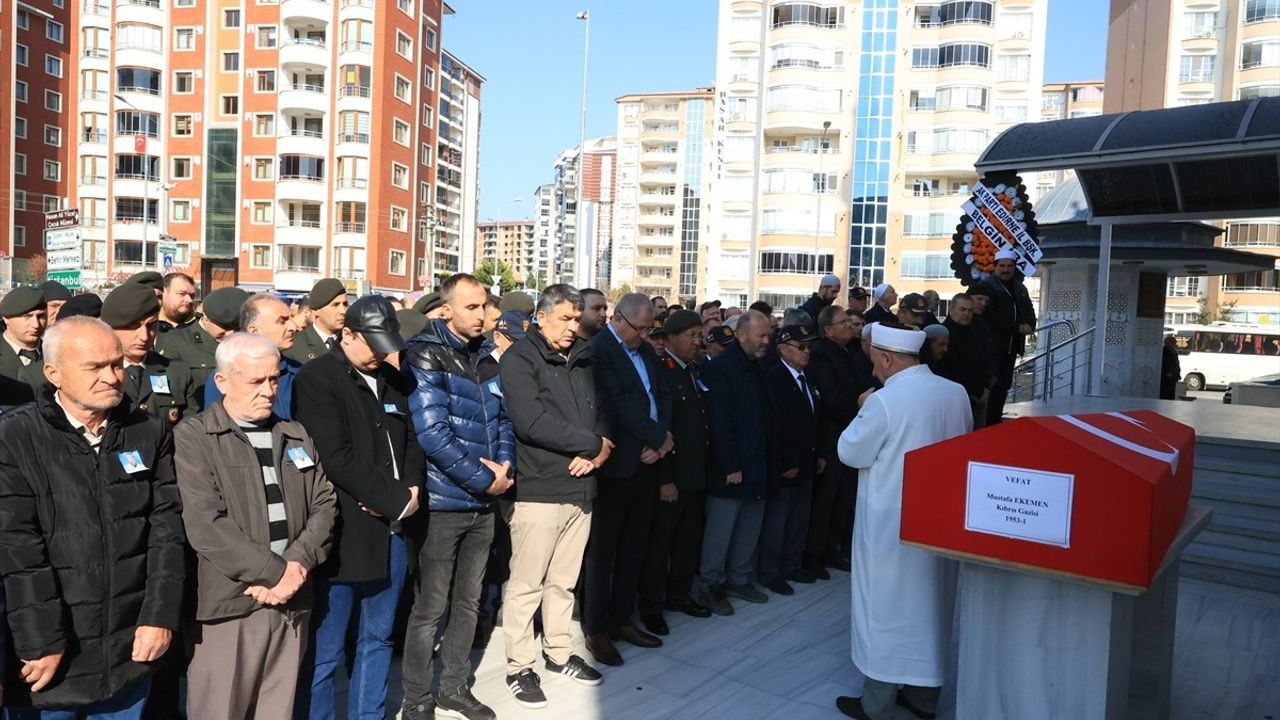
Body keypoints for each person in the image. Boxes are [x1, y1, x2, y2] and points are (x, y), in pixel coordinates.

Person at [0, 317, 185, 717]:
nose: (112, 377)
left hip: (129, 651)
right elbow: (18, 548)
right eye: (94, 368)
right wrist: (42, 641)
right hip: (52, 660)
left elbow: (165, 531)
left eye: (116, 364)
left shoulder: (147, 431)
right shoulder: (15, 437)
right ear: (54, 374)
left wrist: (159, 616)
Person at [175, 332, 337, 720]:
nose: (269, 390)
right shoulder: (195, 437)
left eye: (274, 378)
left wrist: (296, 565)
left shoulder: (293, 433)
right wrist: (272, 574)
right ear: (222, 381)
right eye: (256, 381)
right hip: (232, 603)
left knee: (276, 711)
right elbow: (205, 522)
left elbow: (324, 504)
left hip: (292, 599)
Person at [293, 296, 423, 720]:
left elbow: (410, 444)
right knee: (327, 652)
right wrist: (396, 499)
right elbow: (335, 457)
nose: (382, 356)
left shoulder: (393, 380)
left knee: (379, 638)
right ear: (347, 334)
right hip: (347, 535)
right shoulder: (318, 378)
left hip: (393, 530)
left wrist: (411, 492)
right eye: (374, 346)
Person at [834, 323, 971, 720]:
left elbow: (850, 452)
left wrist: (863, 408)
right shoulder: (955, 392)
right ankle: (923, 698)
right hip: (939, 520)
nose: (873, 368)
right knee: (931, 606)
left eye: (875, 360)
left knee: (887, 608)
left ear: (888, 358)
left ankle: (876, 704)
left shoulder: (884, 401)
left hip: (890, 524)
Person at [400, 275, 515, 720]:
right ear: (446, 310)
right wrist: (481, 480)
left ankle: (453, 687)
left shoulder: (487, 355)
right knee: (429, 609)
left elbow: (503, 419)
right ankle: (417, 697)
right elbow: (432, 433)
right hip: (444, 504)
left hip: (483, 503)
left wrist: (503, 471)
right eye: (472, 307)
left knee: (468, 602)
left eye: (484, 306)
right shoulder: (425, 353)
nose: (483, 315)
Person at [499, 284, 609, 709]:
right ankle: (519, 665)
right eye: (564, 318)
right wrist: (590, 444)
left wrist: (600, 448)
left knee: (563, 581)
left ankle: (559, 652)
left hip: (582, 486)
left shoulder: (583, 356)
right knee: (526, 584)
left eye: (575, 318)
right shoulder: (519, 359)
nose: (572, 326)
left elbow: (606, 408)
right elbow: (531, 422)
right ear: (540, 317)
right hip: (540, 487)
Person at [582, 294, 672, 667]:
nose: (645, 335)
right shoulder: (600, 350)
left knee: (635, 546)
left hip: (648, 462)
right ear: (618, 319)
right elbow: (618, 405)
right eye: (640, 328)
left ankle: (622, 619)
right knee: (603, 553)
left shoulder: (647, 351)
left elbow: (661, 396)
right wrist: (655, 438)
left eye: (650, 328)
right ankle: (596, 629)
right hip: (618, 464)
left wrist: (662, 440)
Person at [693, 310, 774, 615]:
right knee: (721, 530)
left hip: (757, 463)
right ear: (741, 335)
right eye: (762, 335)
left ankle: (738, 578)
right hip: (732, 469)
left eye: (769, 334)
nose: (768, 340)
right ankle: (710, 585)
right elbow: (719, 421)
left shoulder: (758, 366)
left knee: (748, 527)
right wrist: (730, 466)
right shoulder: (722, 368)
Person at [638, 310, 712, 634]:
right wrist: (665, 478)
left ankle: (678, 595)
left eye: (699, 335)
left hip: (696, 472)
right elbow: (662, 427)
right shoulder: (662, 371)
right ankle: (651, 606)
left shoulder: (694, 369)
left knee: (687, 542)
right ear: (670, 339)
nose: (697, 342)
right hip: (673, 476)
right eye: (691, 336)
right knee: (660, 546)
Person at [758, 324, 825, 597]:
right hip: (786, 464)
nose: (807, 352)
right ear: (783, 349)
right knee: (778, 521)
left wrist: (818, 452)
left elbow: (813, 419)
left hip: (807, 460)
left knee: (799, 519)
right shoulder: (774, 378)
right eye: (802, 347)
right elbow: (775, 424)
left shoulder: (805, 378)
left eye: (810, 346)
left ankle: (791, 564)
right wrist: (786, 460)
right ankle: (770, 572)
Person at [805, 306, 860, 578]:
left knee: (843, 496)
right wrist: (858, 419)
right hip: (831, 436)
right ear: (828, 330)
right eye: (843, 322)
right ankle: (814, 555)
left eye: (850, 321)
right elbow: (831, 397)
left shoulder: (847, 353)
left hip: (848, 433)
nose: (850, 325)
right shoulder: (820, 355)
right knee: (826, 499)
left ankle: (833, 548)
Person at [103, 283, 200, 426]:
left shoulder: (177, 372)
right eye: (133, 327)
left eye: (151, 325)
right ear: (111, 328)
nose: (144, 336)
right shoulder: (99, 374)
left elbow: (190, 429)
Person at [205, 294, 302, 419]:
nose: (293, 327)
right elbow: (214, 427)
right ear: (254, 331)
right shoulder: (229, 376)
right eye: (282, 321)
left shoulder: (300, 373)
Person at [156, 286, 249, 403]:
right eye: (224, 327)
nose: (230, 333)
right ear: (206, 318)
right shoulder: (176, 342)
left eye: (237, 328)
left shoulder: (248, 343)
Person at [981, 250, 1037, 425]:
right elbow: (990, 315)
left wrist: (1030, 325)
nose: (1006, 269)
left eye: (1009, 266)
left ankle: (995, 422)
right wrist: (1017, 328)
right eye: (1002, 266)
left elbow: (1029, 310)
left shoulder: (1020, 287)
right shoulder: (987, 286)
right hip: (991, 348)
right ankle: (985, 425)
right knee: (990, 387)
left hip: (1011, 348)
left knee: (1004, 386)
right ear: (995, 266)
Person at [941, 294, 995, 430]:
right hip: (956, 399)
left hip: (981, 396)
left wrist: (986, 388)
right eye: (962, 309)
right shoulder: (943, 334)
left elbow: (985, 358)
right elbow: (949, 368)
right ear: (951, 309)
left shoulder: (977, 331)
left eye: (970, 311)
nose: (966, 314)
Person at [286, 279, 348, 364]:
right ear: (315, 310)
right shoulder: (295, 345)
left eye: (345, 304)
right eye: (335, 305)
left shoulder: (351, 341)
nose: (343, 311)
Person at [0, 287, 48, 390]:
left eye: (40, 316)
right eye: (27, 316)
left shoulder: (55, 354)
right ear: (6, 318)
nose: (35, 325)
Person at [1161, 335, 1181, 400]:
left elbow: (1176, 363)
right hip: (1167, 377)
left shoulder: (1174, 352)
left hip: (1173, 376)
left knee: (1171, 393)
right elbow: (1165, 363)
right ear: (1169, 343)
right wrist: (1167, 373)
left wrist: (1178, 372)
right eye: (1174, 343)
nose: (1175, 344)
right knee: (1166, 393)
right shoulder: (1164, 351)